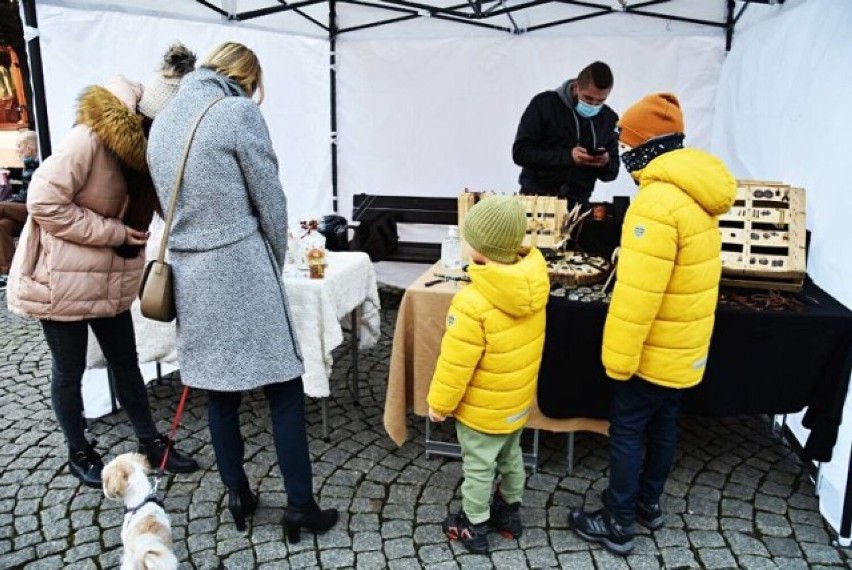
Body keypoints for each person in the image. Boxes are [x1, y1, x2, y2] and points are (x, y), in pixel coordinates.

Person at [146, 42, 339, 539]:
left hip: (190, 274)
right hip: (242, 265)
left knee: (218, 393)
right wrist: (272, 260)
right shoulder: (235, 112)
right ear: (247, 79)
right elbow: (271, 201)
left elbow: (165, 207)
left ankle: (238, 494)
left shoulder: (163, 121)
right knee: (285, 389)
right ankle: (300, 505)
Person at [5, 75, 199, 489]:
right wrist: (113, 233)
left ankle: (149, 442)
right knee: (69, 370)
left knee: (126, 364)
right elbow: (43, 201)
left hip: (109, 281)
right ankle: (78, 449)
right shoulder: (89, 139)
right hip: (61, 281)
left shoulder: (144, 155)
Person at [568, 93, 736, 555]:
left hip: (656, 345)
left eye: (626, 142)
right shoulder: (697, 194)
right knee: (664, 425)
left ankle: (619, 520)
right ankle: (647, 504)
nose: (621, 151)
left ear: (642, 145)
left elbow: (637, 297)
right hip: (685, 342)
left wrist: (618, 359)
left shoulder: (656, 203)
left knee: (627, 428)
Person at [427, 196, 550, 554]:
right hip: (515, 401)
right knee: (511, 456)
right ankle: (509, 514)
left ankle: (473, 524)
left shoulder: (472, 302)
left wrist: (439, 404)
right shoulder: (532, 287)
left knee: (479, 467)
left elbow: (455, 365)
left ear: (478, 249)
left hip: (482, 408)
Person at [512, 61, 620, 208]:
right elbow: (521, 153)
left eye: (600, 101)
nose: (593, 105)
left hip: (578, 205)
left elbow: (612, 173)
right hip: (536, 200)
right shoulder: (544, 104)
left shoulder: (608, 119)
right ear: (576, 86)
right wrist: (568, 156)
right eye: (588, 98)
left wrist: (605, 162)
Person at [0, 130, 38, 288]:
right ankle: (7, 271)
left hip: (36, 209)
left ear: (29, 148)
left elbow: (31, 198)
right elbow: (22, 196)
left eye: (19, 146)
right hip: (25, 207)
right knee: (2, 225)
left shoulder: (40, 165)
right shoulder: (28, 165)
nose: (17, 150)